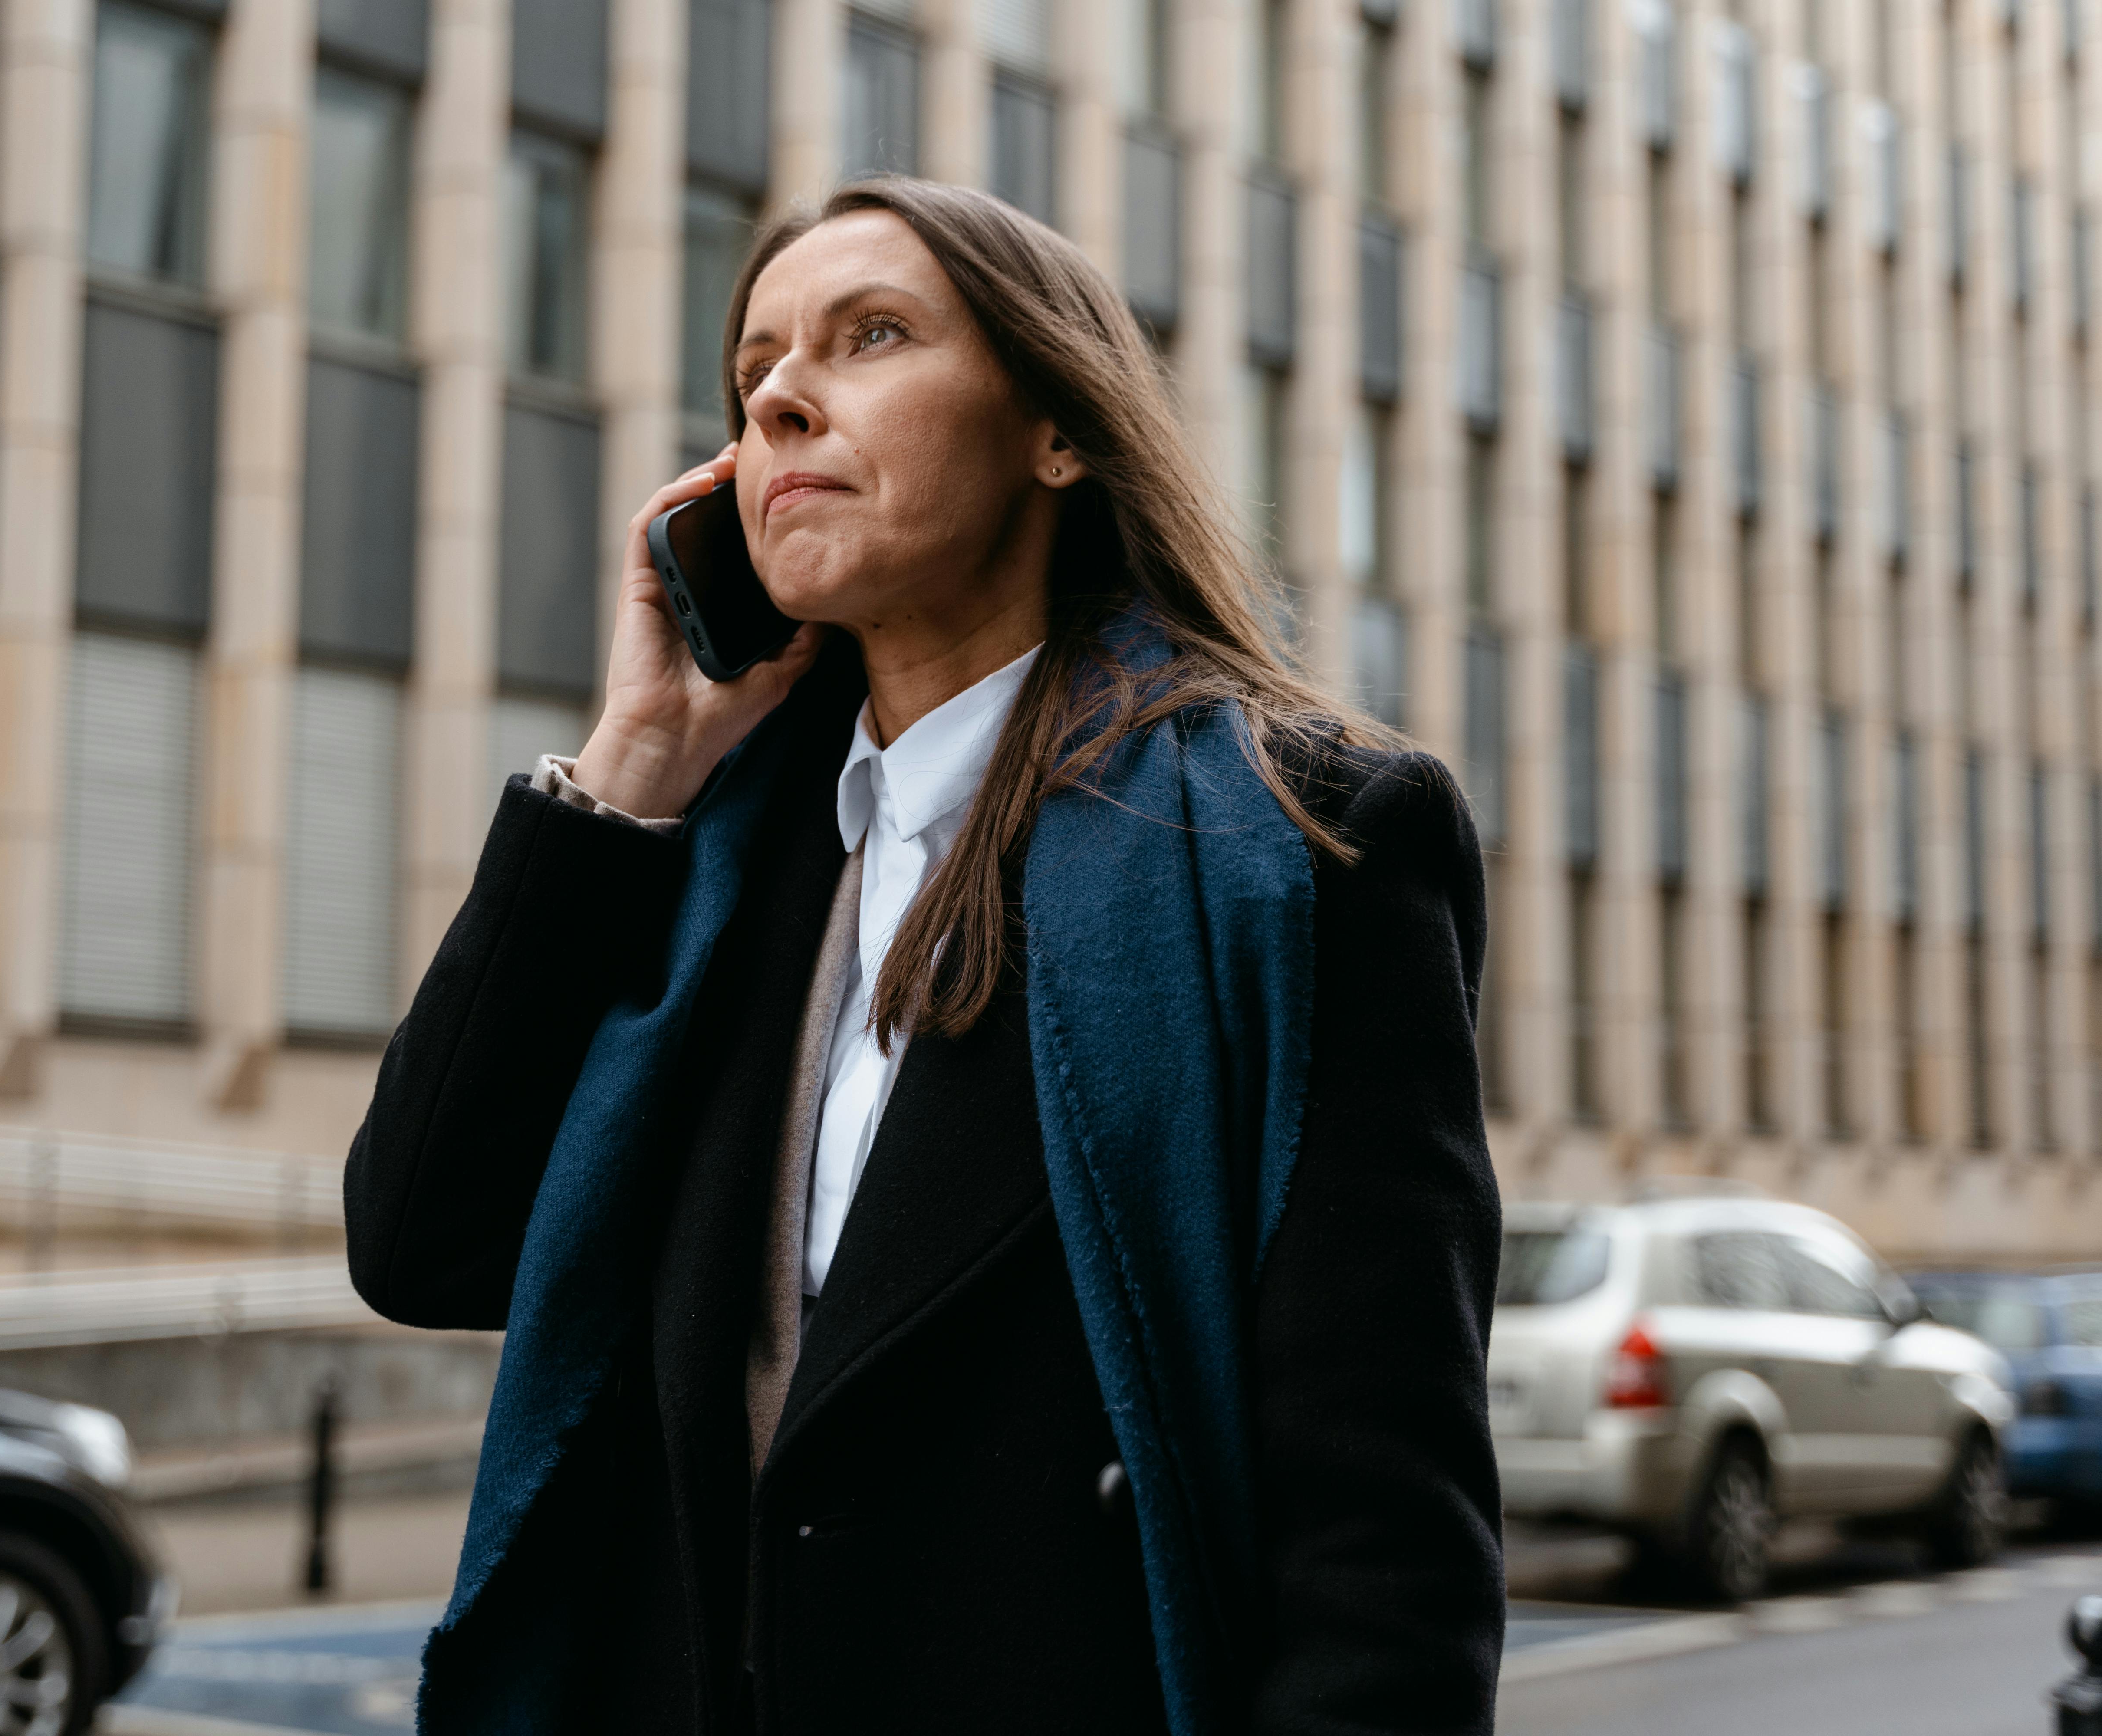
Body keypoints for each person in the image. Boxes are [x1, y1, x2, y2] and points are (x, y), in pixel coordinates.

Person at [346, 177, 1503, 1734]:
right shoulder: (719, 861)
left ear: (1059, 430)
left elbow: (1387, 1556)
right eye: (754, 369)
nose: (780, 394)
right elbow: (423, 1244)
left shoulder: (1300, 846)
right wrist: (630, 763)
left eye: (869, 336)